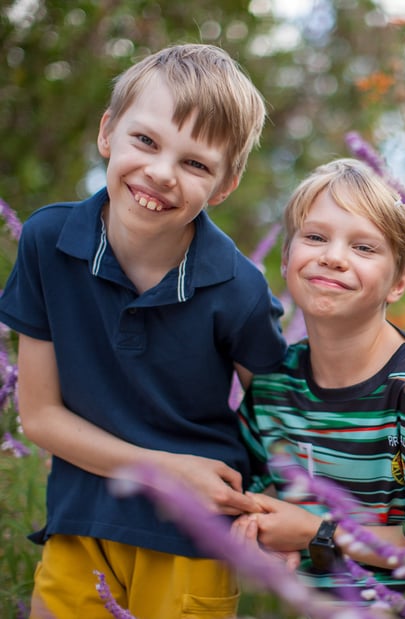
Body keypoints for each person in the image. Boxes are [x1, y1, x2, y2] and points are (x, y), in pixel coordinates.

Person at [0, 44, 287, 619]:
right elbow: (39, 417)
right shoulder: (46, 244)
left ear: (224, 185)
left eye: (195, 163)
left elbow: (282, 417)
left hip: (194, 544)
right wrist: (168, 469)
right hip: (79, 526)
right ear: (108, 132)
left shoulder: (238, 288)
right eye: (146, 141)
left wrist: (278, 511)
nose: (160, 173)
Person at [234, 158, 405, 616]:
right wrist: (257, 532)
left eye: (363, 247)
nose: (333, 256)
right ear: (286, 258)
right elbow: (257, 501)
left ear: (398, 282)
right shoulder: (272, 391)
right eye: (315, 237)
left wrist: (317, 531)